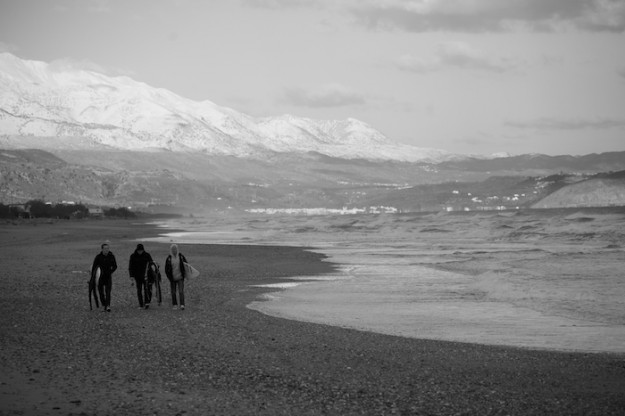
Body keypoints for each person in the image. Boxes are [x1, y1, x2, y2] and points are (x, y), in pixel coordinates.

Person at [91, 242, 117, 312]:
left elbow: (115, 266)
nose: (107, 250)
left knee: (108, 292)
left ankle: (107, 305)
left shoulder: (111, 256)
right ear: (102, 249)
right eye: (105, 249)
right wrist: (92, 278)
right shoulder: (98, 257)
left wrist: (111, 271)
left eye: (108, 248)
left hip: (108, 276)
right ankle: (104, 304)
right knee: (101, 292)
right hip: (100, 277)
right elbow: (94, 268)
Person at [128, 243, 154, 309]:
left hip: (146, 276)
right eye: (139, 250)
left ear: (143, 250)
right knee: (139, 290)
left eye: (141, 250)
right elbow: (131, 266)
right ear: (137, 250)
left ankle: (147, 302)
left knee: (147, 289)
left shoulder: (147, 255)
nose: (140, 252)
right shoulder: (133, 256)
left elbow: (151, 264)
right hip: (137, 276)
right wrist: (131, 276)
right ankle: (141, 304)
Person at [164, 244, 187, 310]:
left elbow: (186, 265)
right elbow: (166, 269)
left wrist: (186, 275)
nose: (174, 250)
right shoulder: (169, 258)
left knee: (181, 291)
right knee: (173, 292)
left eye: (175, 249)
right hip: (172, 278)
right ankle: (175, 304)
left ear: (177, 249)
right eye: (173, 249)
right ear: (171, 250)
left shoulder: (181, 256)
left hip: (180, 277)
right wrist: (169, 277)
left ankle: (182, 304)